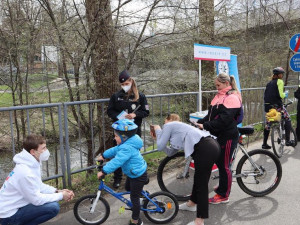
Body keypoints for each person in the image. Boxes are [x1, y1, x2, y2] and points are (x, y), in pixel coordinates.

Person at [150, 114, 220, 225]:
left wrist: (158, 129)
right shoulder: (176, 135)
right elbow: (169, 152)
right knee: (198, 180)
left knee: (201, 184)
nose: (163, 126)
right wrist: (159, 138)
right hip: (206, 148)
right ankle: (191, 204)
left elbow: (159, 146)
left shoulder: (169, 125)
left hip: (206, 147)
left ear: (168, 120)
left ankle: (199, 221)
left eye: (164, 121)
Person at [0, 134, 74, 225]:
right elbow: (36, 199)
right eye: (43, 148)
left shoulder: (32, 162)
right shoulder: (25, 172)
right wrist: (61, 196)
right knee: (53, 207)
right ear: (33, 152)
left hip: (16, 206)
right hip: (8, 214)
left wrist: (57, 191)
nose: (46, 151)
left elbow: (39, 185)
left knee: (53, 204)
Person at [194, 72, 242, 204]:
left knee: (224, 165)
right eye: (216, 85)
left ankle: (223, 195)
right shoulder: (220, 96)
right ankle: (222, 186)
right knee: (220, 163)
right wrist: (199, 123)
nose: (217, 88)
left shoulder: (232, 98)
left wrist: (205, 126)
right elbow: (210, 116)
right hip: (219, 134)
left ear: (227, 83)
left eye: (218, 85)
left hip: (228, 136)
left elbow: (223, 121)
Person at [97, 119, 147, 225]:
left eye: (116, 136)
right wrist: (104, 155)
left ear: (124, 137)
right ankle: (143, 196)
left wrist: (104, 171)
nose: (114, 138)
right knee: (128, 188)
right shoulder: (126, 143)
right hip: (134, 173)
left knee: (134, 198)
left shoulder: (127, 148)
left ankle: (136, 220)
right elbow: (115, 150)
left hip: (137, 175)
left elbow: (117, 161)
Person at [107, 70, 149, 188]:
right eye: (122, 84)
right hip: (119, 132)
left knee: (134, 154)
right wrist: (120, 117)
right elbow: (110, 111)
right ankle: (117, 178)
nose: (125, 86)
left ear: (131, 81)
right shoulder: (116, 96)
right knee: (118, 154)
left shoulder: (140, 96)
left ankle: (138, 175)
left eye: (126, 83)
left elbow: (146, 111)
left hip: (134, 131)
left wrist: (135, 115)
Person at [262, 67, 294, 149]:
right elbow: (280, 95)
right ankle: (287, 140)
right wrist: (285, 94)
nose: (282, 75)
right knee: (287, 119)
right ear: (279, 75)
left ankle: (264, 144)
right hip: (277, 106)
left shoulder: (269, 83)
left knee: (268, 124)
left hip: (268, 106)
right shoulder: (280, 81)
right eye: (282, 74)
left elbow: (266, 95)